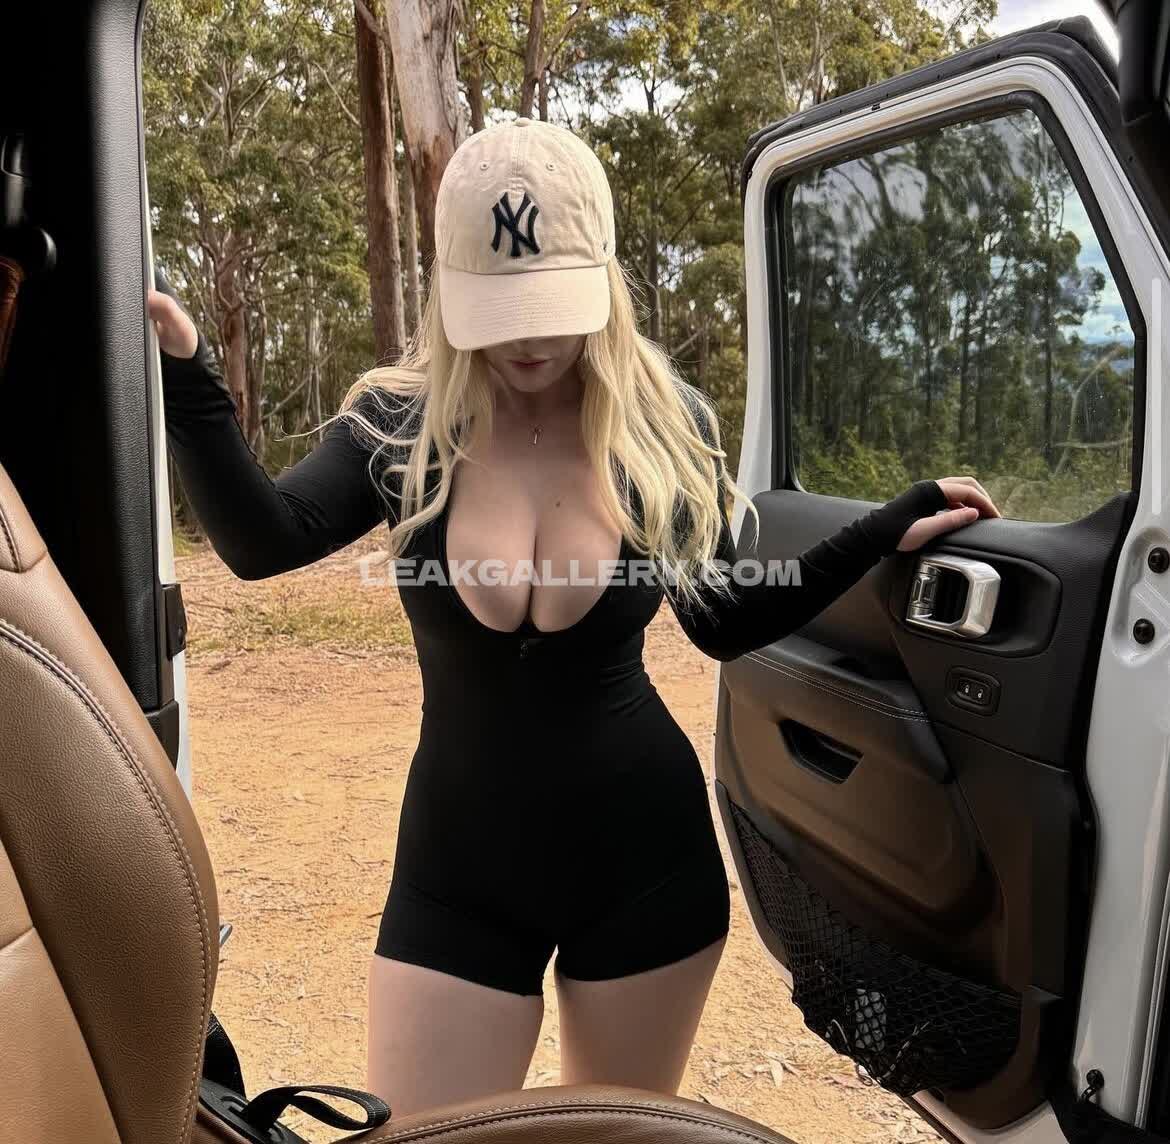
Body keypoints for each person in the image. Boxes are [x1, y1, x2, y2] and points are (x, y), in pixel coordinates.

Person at [148, 115, 999, 1118]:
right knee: (423, 1142)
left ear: (603, 281)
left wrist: (883, 528)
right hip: (458, 874)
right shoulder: (399, 426)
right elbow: (263, 540)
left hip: (646, 869)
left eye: (552, 305)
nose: (531, 339)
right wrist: (187, 375)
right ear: (452, 290)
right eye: (502, 310)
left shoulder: (659, 423)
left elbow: (723, 617)